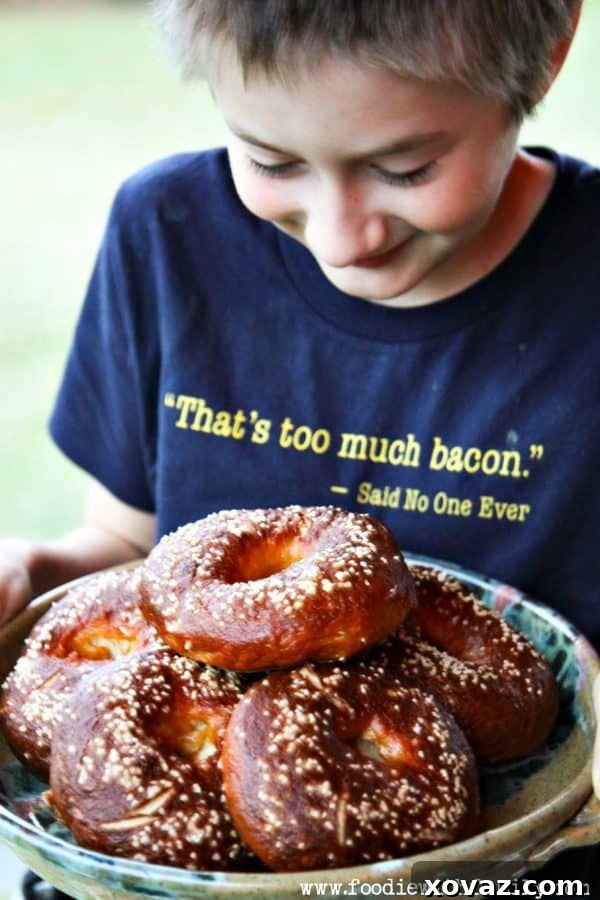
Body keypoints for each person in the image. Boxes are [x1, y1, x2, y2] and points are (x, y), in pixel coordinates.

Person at [1, 0, 598, 892]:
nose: (341, 237)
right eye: (271, 161)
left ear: (548, 52)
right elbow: (125, 550)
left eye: (406, 168)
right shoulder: (167, 234)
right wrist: (31, 567)